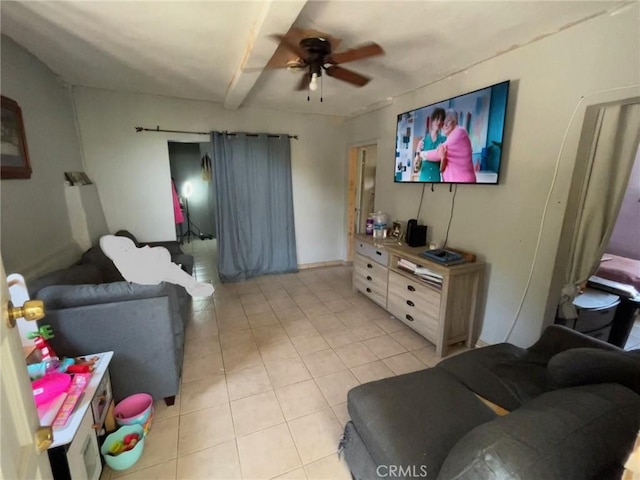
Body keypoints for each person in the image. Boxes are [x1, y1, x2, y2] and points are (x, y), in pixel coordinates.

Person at [100, 235, 214, 297]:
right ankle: (191, 285)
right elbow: (136, 273)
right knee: (169, 270)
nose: (123, 247)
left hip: (154, 262)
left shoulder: (131, 254)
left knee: (170, 269)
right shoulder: (124, 263)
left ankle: (191, 285)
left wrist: (149, 253)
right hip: (149, 271)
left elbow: (141, 254)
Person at [420, 109, 476, 183]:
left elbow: (438, 153)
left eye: (448, 121)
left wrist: (421, 154)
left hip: (462, 183)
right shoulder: (449, 137)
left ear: (455, 121)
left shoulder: (459, 132)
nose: (445, 125)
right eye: (443, 122)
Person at [415, 108, 446, 182]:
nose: (438, 122)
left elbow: (442, 169)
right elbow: (417, 168)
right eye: (437, 119)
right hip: (423, 180)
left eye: (441, 120)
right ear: (432, 121)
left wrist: (443, 158)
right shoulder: (423, 141)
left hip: (436, 181)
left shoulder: (444, 140)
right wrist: (417, 154)